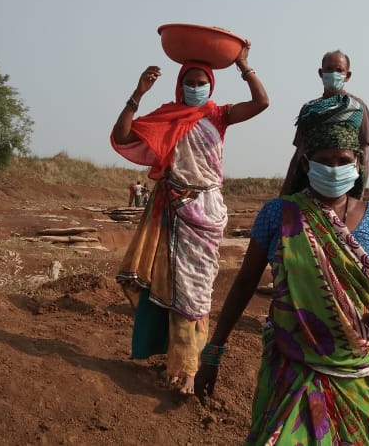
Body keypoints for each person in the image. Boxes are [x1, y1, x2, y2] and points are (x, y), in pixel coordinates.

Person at [195, 100, 369, 444]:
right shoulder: (278, 214)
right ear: (306, 163)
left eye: (343, 161)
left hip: (353, 375)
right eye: (324, 161)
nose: (334, 168)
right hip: (290, 368)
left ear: (357, 164)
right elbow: (243, 285)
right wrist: (214, 351)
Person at [111, 45, 269, 395]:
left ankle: (188, 365)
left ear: (210, 86)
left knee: (198, 287)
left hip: (208, 211)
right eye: (189, 82)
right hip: (172, 211)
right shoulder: (167, 116)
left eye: (201, 82)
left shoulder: (219, 115)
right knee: (175, 286)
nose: (195, 87)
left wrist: (243, 65)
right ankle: (184, 366)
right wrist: (137, 94)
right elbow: (122, 136)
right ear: (180, 86)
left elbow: (261, 103)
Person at [280, 50, 369, 199]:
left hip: (344, 183)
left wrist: (360, 192)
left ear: (347, 75)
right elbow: (299, 152)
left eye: (339, 70)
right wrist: (286, 190)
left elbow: (364, 152)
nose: (333, 74)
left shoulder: (356, 107)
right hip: (313, 180)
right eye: (329, 69)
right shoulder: (310, 110)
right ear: (321, 72)